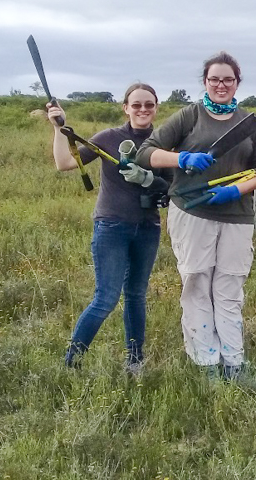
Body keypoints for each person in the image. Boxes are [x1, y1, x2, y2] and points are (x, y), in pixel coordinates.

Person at [135, 52, 256, 391]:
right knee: (196, 284)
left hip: (236, 216)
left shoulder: (250, 122)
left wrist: (236, 190)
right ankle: (206, 362)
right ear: (205, 82)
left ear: (237, 82)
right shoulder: (189, 115)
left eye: (228, 79)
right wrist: (181, 157)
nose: (221, 85)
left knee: (229, 288)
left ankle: (234, 363)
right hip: (191, 211)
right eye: (214, 79)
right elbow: (146, 153)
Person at [46, 84, 167, 374]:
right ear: (125, 107)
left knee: (136, 295)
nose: (142, 110)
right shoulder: (109, 138)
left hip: (148, 227)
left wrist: (151, 180)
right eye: (136, 105)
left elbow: (173, 186)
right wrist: (57, 128)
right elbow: (64, 163)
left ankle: (135, 361)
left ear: (156, 107)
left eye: (148, 105)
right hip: (112, 226)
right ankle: (72, 362)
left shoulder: (164, 142)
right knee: (106, 298)